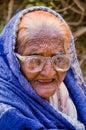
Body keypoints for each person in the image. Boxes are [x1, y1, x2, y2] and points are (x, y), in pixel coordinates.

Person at [0, 6, 86, 130]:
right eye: (35, 60)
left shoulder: (69, 96)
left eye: (59, 59)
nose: (49, 73)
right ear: (13, 61)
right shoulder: (7, 116)